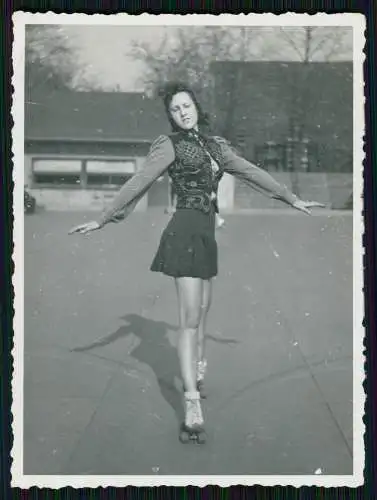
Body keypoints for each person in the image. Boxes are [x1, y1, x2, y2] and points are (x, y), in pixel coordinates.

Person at [69, 82, 324, 441]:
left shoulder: (216, 146)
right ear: (171, 116)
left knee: (203, 312)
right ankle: (191, 404)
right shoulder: (169, 145)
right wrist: (104, 216)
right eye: (175, 109)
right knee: (188, 321)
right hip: (184, 232)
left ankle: (197, 372)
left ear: (196, 108)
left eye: (186, 105)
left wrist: (291, 199)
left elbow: (250, 171)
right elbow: (140, 181)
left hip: (206, 234)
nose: (182, 112)